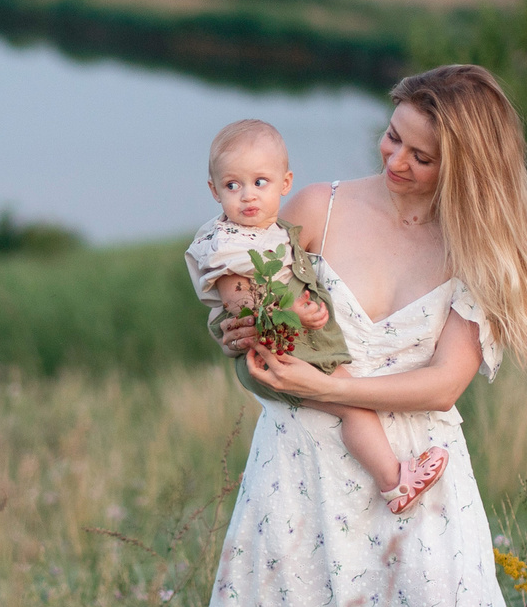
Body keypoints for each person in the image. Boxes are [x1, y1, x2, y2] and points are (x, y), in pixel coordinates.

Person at [181, 65, 527, 607]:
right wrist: (244, 343)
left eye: (421, 156)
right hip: (299, 469)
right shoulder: (315, 207)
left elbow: (443, 383)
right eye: (393, 137)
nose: (395, 160)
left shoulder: (475, 250)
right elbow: (262, 343)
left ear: (464, 167)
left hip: (416, 477)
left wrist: (329, 388)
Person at [183, 118, 449, 514]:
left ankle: (393, 478)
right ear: (214, 190)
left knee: (348, 403)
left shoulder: (272, 230)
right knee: (352, 406)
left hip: (290, 344)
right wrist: (291, 312)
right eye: (232, 186)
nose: (247, 196)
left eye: (259, 182)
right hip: (279, 348)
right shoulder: (226, 242)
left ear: (284, 182)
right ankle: (394, 480)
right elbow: (241, 302)